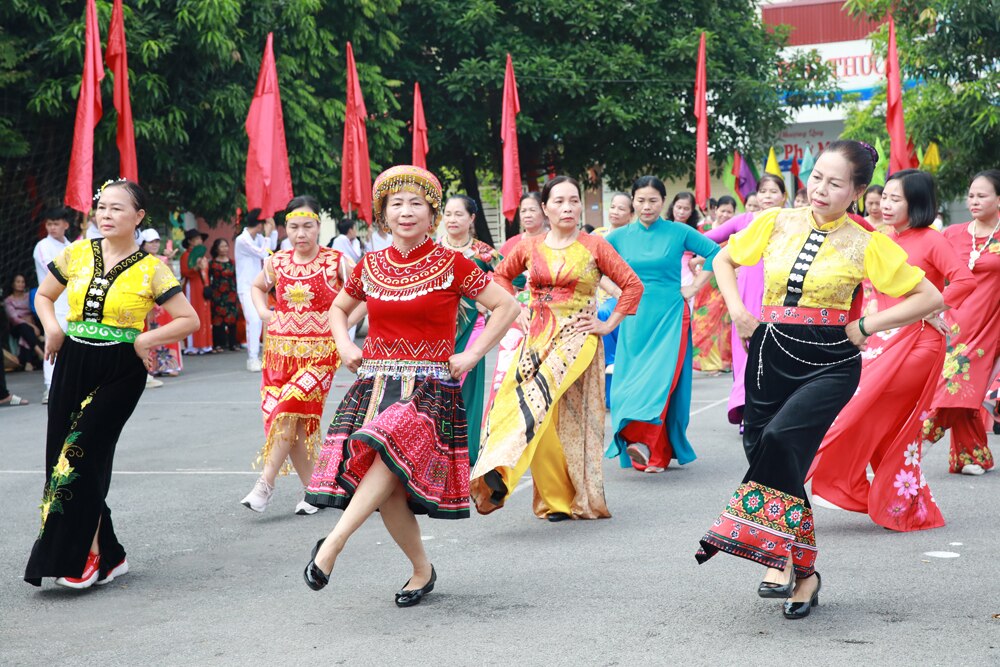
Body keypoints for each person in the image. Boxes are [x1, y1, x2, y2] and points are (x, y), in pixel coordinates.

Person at [694, 140, 943, 619]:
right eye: (816, 178)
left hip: (831, 359)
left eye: (834, 183)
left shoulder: (868, 240)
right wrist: (737, 310)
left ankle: (772, 555)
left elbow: (930, 296)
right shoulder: (774, 220)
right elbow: (722, 260)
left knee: (783, 440)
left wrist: (867, 326)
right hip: (769, 353)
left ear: (855, 191)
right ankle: (803, 573)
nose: (820, 189)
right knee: (770, 456)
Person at [303, 165, 519, 604]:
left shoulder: (452, 263)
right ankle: (422, 570)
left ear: (432, 212)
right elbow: (338, 310)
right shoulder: (370, 265)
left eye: (416, 203)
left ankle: (332, 544)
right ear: (383, 214)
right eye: (396, 204)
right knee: (389, 492)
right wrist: (344, 344)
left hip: (430, 390)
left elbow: (506, 306)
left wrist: (473, 353)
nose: (406, 212)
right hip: (375, 384)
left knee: (384, 445)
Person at [24, 179, 198, 589]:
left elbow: (188, 319)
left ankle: (89, 557)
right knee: (60, 460)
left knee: (81, 457)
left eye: (117, 209)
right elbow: (45, 296)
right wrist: (52, 329)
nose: (106, 215)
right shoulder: (78, 252)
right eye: (101, 207)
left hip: (120, 369)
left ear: (138, 217)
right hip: (72, 361)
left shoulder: (152, 268)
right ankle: (112, 554)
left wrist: (145, 338)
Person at [808, 169, 975, 531]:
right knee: (883, 421)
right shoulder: (882, 239)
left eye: (896, 199)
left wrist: (932, 307)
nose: (885, 204)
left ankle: (838, 480)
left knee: (867, 411)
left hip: (919, 343)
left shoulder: (932, 241)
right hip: (885, 340)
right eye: (885, 197)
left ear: (916, 203)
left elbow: (965, 279)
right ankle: (902, 503)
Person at [471, 176, 644, 520]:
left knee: (536, 399)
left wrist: (607, 325)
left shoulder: (595, 245)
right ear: (546, 208)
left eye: (574, 200)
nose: (568, 207)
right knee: (528, 408)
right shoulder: (528, 246)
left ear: (580, 206)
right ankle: (557, 500)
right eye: (559, 201)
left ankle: (501, 471)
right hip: (536, 334)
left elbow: (632, 285)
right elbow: (499, 278)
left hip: (578, 337)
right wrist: (515, 308)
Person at [240, 196, 355, 516]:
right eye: (293, 227)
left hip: (320, 354)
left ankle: (265, 483)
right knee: (293, 423)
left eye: (307, 226)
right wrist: (264, 313)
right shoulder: (276, 262)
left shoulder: (337, 261)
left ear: (319, 226)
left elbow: (365, 295)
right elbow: (257, 287)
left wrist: (344, 326)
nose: (300, 233)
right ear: (285, 228)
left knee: (288, 409)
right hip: (278, 354)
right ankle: (315, 490)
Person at [605, 176, 720, 473]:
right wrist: (618, 292)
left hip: (670, 315)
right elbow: (594, 267)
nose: (646, 206)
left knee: (662, 382)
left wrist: (693, 288)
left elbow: (715, 253)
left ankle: (652, 450)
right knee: (628, 383)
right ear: (633, 201)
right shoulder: (618, 237)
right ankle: (635, 439)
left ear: (663, 202)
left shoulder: (678, 231)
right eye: (641, 200)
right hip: (633, 317)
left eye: (653, 200)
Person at [923, 170, 1000, 475]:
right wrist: (927, 309)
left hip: (990, 323)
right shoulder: (952, 234)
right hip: (954, 322)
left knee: (960, 383)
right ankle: (972, 456)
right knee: (960, 385)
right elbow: (930, 271)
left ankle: (920, 441)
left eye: (982, 195)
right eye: (971, 195)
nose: (974, 201)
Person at [702, 175, 788, 426]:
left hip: (780, 293)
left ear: (784, 196)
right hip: (747, 293)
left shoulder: (793, 221)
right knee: (746, 351)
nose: (768, 196)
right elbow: (707, 239)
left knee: (776, 352)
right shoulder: (744, 221)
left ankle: (770, 410)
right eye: (763, 191)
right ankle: (747, 410)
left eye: (774, 191)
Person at [438, 195, 501, 465]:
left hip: (472, 331)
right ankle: (435, 448)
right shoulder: (431, 250)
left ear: (471, 219)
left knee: (467, 393)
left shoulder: (484, 253)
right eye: (448, 214)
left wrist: (493, 302)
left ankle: (465, 452)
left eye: (458, 214)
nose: (452, 219)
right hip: (436, 330)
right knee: (434, 390)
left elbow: (516, 278)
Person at [594, 192, 635, 404]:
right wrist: (615, 292)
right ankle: (609, 394)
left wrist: (622, 294)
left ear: (630, 214)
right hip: (601, 298)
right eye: (613, 206)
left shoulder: (634, 237)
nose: (615, 212)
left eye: (621, 208)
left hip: (627, 299)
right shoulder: (597, 235)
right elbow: (593, 270)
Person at [33, 207, 74, 403]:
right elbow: (54, 270)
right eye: (49, 224)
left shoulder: (72, 245)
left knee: (71, 345)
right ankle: (50, 387)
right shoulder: (43, 246)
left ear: (65, 225)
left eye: (56, 223)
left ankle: (67, 385)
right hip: (52, 304)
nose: (52, 228)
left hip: (72, 303)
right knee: (53, 344)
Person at [234, 209, 278, 371]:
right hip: (246, 287)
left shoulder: (258, 238)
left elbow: (270, 248)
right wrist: (268, 234)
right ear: (259, 224)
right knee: (254, 319)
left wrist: (271, 232)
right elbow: (262, 253)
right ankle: (252, 358)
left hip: (259, 287)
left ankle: (259, 355)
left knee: (260, 319)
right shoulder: (242, 240)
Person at [139, 229, 183, 379]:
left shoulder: (163, 260)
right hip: (147, 303)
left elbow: (173, 279)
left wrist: (170, 260)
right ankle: (151, 366)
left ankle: (169, 365)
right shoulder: (139, 261)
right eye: (151, 242)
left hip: (163, 303)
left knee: (167, 332)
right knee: (150, 333)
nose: (155, 245)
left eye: (157, 241)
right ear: (143, 244)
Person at [179, 228, 213, 355]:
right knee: (194, 313)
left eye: (200, 239)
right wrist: (195, 268)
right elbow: (184, 272)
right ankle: (192, 346)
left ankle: (205, 344)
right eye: (197, 239)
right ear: (190, 241)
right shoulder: (186, 256)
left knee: (204, 314)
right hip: (192, 287)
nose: (200, 241)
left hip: (203, 286)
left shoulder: (203, 256)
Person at [4, 274, 44, 369]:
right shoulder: (8, 300)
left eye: (23, 282)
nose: (21, 284)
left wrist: (32, 323)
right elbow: (14, 318)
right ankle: (39, 351)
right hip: (17, 327)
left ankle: (28, 362)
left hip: (31, 326)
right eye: (18, 282)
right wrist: (32, 326)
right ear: (13, 284)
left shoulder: (29, 296)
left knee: (25, 334)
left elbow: (35, 309)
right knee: (24, 327)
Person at [208, 238, 239, 352]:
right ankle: (218, 344)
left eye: (226, 246)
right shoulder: (212, 264)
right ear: (216, 248)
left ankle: (233, 344)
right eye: (222, 246)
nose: (225, 248)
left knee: (232, 319)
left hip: (231, 293)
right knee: (218, 320)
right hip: (217, 294)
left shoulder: (232, 263)